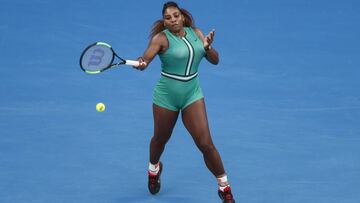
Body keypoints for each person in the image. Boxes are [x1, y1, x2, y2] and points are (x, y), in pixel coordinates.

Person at [134, 2, 235, 203]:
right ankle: (154, 168)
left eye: (176, 15)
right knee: (160, 139)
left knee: (206, 144)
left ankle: (224, 188)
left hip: (192, 94)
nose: (172, 20)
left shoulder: (196, 32)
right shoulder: (160, 38)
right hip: (166, 97)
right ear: (164, 21)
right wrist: (142, 63)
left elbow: (215, 60)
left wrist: (207, 47)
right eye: (168, 17)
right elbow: (145, 59)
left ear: (182, 16)